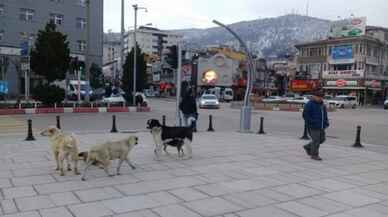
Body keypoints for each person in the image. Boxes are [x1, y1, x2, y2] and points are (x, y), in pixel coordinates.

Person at [303, 90, 329, 161]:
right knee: (316, 141)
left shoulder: (322, 105)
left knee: (322, 139)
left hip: (321, 126)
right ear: (314, 96)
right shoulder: (309, 104)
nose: (320, 98)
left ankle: (308, 146)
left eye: (321, 97)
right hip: (313, 126)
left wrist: (326, 122)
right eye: (318, 96)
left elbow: (325, 115)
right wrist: (312, 122)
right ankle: (314, 155)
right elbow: (305, 116)